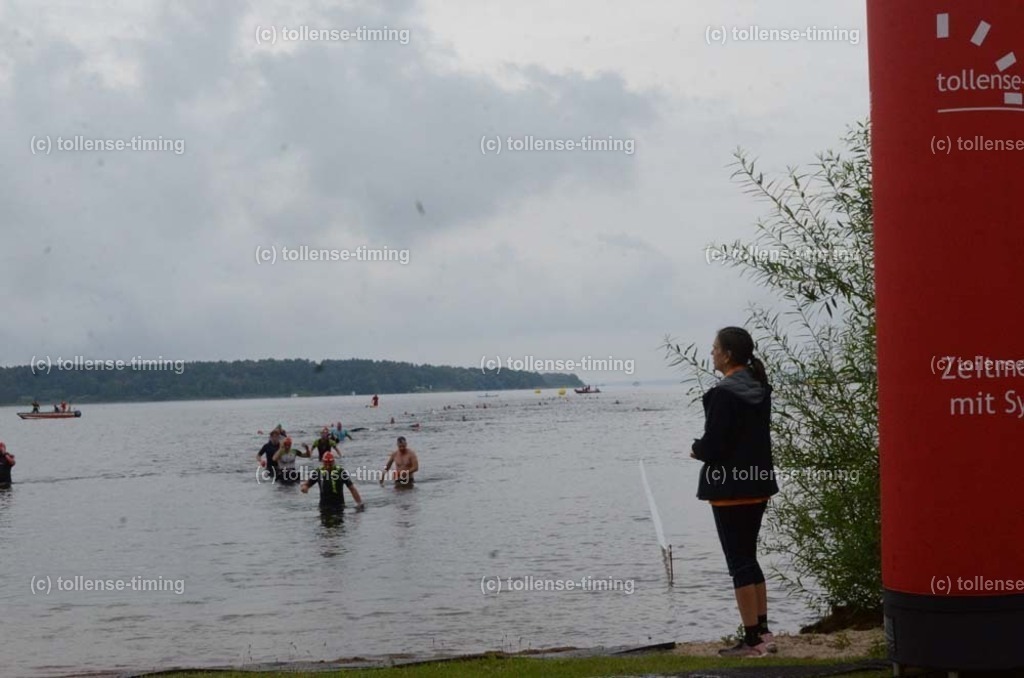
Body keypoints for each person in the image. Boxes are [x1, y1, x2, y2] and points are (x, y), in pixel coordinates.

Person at [691, 327, 779, 657]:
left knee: (738, 562)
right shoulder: (760, 389)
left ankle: (752, 640)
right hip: (757, 485)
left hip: (730, 489)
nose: (711, 353)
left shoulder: (722, 394)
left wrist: (696, 449)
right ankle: (763, 632)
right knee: (749, 558)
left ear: (727, 354)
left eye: (714, 348)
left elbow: (715, 445)